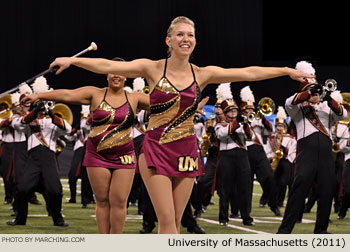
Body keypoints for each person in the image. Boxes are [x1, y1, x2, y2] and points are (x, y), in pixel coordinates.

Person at [32, 16, 312, 233]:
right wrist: (72, 61)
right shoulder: (152, 68)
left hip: (187, 149)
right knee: (166, 221)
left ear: (195, 41)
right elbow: (108, 66)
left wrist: (287, 71)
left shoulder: (203, 74)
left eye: (190, 35)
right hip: (156, 148)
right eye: (179, 34)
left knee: (175, 223)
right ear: (168, 40)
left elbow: (248, 72)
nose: (185, 39)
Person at [21, 57, 149, 233]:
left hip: (124, 155)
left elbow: (168, 104)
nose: (116, 76)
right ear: (106, 74)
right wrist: (37, 96)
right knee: (102, 200)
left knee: (119, 201)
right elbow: (66, 94)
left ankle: (117, 243)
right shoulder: (94, 93)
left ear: (127, 75)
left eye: (121, 72)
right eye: (113, 72)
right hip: (97, 154)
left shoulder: (135, 98)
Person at [277, 61, 347, 234]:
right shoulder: (298, 108)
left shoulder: (326, 107)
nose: (316, 94)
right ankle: (285, 231)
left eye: (317, 90)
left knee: (327, 190)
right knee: (299, 189)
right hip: (306, 152)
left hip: (325, 153)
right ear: (305, 92)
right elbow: (289, 102)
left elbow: (343, 114)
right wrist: (308, 94)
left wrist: (328, 97)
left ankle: (321, 230)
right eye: (312, 91)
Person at [214, 83, 255, 226]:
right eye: (230, 112)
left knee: (245, 187)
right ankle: (223, 218)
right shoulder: (220, 124)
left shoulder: (242, 123)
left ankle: (246, 217)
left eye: (235, 112)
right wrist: (238, 123)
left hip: (243, 156)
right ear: (225, 113)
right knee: (225, 188)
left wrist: (246, 125)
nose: (233, 114)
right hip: (227, 156)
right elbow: (222, 135)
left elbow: (251, 138)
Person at [239, 86, 281, 216]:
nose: (251, 111)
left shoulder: (259, 118)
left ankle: (273, 204)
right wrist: (246, 121)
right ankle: (245, 213)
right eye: (248, 109)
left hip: (258, 150)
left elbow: (269, 132)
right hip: (245, 150)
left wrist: (262, 119)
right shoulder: (238, 120)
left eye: (252, 108)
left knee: (269, 177)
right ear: (243, 110)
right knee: (246, 184)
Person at [265, 106, 297, 207]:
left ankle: (280, 201)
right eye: (278, 126)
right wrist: (271, 156)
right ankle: (266, 200)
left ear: (285, 128)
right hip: (274, 162)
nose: (280, 128)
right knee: (271, 182)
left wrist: (286, 152)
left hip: (285, 162)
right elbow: (267, 151)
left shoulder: (290, 139)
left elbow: (293, 152)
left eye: (282, 126)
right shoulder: (272, 138)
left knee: (283, 182)